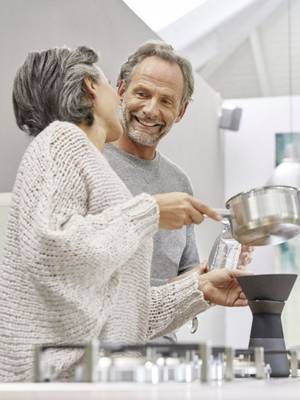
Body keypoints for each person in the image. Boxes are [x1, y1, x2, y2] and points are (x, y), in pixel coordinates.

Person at [0, 45, 249, 382]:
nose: (144, 108)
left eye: (165, 100)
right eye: (112, 85)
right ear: (93, 85)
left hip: (93, 379)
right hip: (57, 385)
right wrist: (149, 213)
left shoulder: (84, 159)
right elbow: (51, 249)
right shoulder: (61, 140)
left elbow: (119, 314)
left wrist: (200, 289)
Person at [104, 41, 253, 342]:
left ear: (181, 111)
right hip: (100, 354)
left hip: (163, 354)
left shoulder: (179, 182)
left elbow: (181, 281)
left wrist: (215, 271)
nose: (150, 110)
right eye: (142, 93)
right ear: (121, 91)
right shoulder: (91, 162)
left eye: (166, 101)